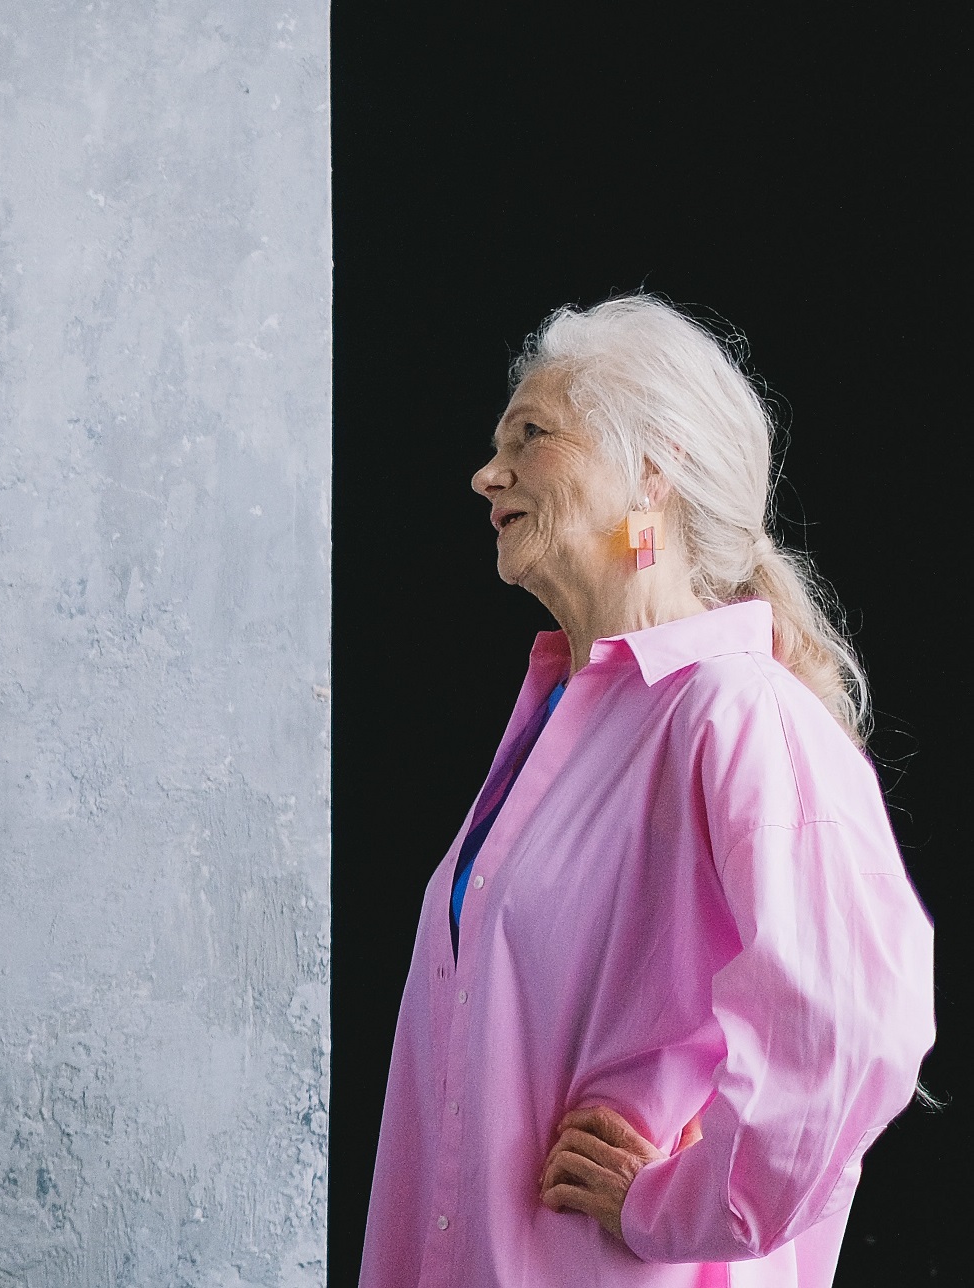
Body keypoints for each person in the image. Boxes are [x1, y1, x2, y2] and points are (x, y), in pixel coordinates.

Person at [360, 295, 935, 1287]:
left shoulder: (735, 710)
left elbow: (847, 1026)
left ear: (651, 470)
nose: (485, 474)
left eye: (530, 435)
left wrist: (683, 1203)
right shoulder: (557, 726)